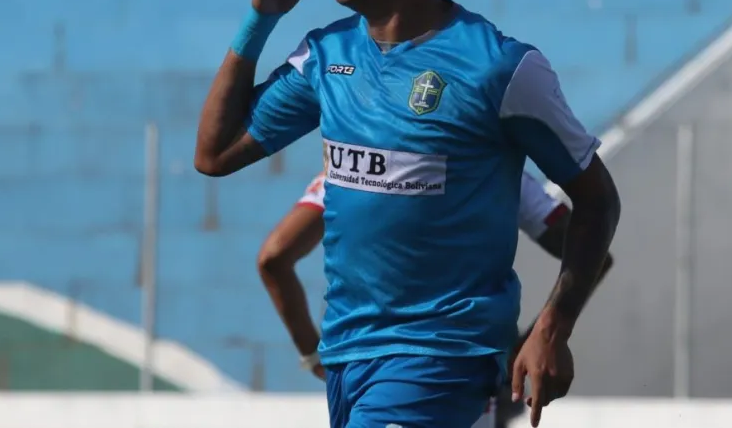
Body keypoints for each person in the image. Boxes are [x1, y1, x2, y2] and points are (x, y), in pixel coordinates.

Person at [194, 0, 621, 428]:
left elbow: (597, 201)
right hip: (350, 354)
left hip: (442, 355)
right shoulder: (327, 56)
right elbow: (215, 155)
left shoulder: (501, 68)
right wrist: (259, 21)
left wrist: (551, 328)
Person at [257, 171, 616, 428]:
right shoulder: (495, 170)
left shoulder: (351, 164)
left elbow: (273, 259)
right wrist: (533, 341)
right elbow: (591, 252)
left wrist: (312, 354)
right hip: (461, 367)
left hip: (358, 365)